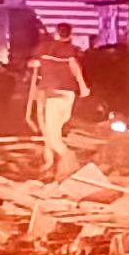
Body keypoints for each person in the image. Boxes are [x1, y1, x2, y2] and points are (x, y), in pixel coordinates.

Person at [23, 37, 87, 176]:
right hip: (67, 93)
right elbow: (75, 67)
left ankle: (68, 160)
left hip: (52, 94)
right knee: (53, 129)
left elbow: (32, 63)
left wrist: (34, 65)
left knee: (51, 133)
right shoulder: (70, 51)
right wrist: (82, 86)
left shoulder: (44, 49)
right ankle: (50, 160)